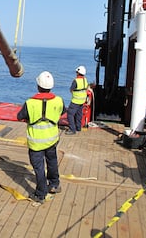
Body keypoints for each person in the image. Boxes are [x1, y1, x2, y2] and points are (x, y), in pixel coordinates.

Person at [17, 71, 66, 204]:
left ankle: (40, 194)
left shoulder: (30, 103)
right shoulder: (59, 100)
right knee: (52, 162)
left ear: (38, 86)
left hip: (36, 142)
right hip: (52, 139)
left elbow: (20, 116)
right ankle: (55, 184)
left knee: (39, 167)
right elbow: (62, 112)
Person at [65, 65, 89, 134]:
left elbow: (71, 89)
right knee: (79, 114)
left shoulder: (76, 81)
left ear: (78, 73)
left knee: (70, 114)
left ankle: (72, 129)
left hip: (75, 100)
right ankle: (78, 127)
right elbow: (86, 87)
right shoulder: (85, 80)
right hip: (82, 100)